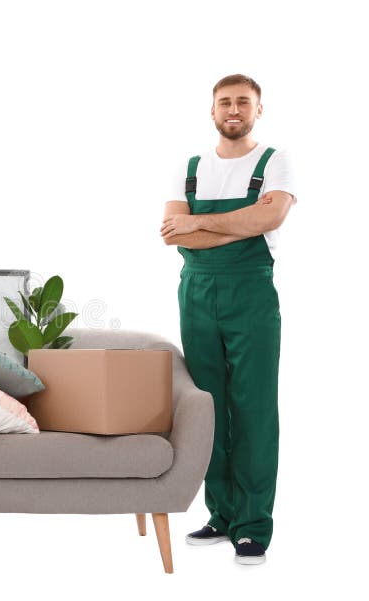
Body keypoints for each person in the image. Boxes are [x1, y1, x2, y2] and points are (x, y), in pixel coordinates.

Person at [161, 74, 295, 566]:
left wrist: (198, 221)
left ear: (258, 110)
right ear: (212, 111)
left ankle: (254, 524)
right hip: (195, 294)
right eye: (225, 102)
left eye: (243, 102)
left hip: (251, 293)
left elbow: (270, 219)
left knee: (254, 408)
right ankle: (221, 514)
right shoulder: (189, 167)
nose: (233, 109)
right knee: (207, 406)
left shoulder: (274, 161)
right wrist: (233, 222)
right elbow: (176, 236)